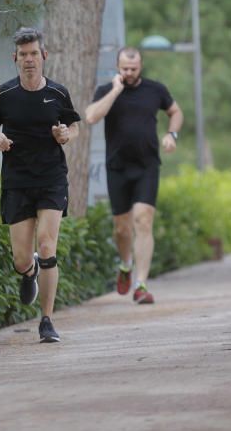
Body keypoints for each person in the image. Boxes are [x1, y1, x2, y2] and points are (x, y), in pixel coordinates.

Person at [0, 27, 81, 343]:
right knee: (21, 259)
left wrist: (66, 136)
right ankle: (30, 273)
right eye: (23, 55)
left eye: (33, 54)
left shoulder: (58, 93)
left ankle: (47, 320)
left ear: (44, 56)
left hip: (51, 178)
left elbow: (74, 126)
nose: (29, 60)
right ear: (15, 58)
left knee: (47, 244)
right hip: (17, 181)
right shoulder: (4, 94)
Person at [85, 47, 182, 305]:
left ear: (141, 66)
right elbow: (91, 116)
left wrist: (172, 134)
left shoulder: (155, 90)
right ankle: (126, 264)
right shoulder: (107, 91)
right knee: (122, 228)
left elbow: (175, 112)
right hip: (117, 167)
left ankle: (140, 284)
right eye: (124, 69)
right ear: (118, 66)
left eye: (133, 69)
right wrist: (116, 90)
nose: (128, 73)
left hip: (147, 165)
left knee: (143, 220)